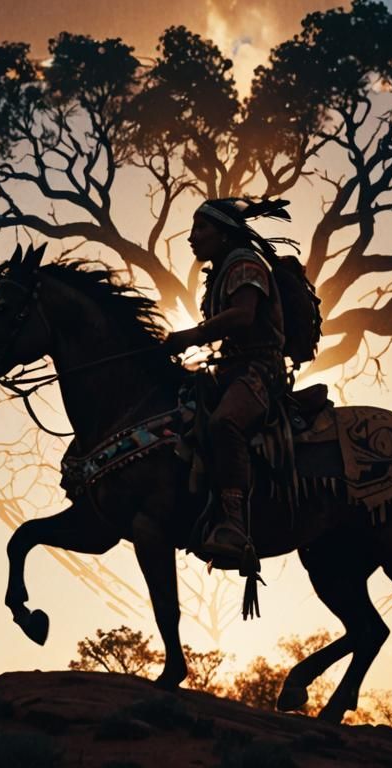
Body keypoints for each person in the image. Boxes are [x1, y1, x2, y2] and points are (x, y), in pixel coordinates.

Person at [164, 198, 296, 564]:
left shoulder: (243, 263)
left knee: (224, 423)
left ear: (223, 232)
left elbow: (243, 315)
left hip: (259, 371)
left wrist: (190, 336)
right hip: (229, 370)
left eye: (201, 228)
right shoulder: (223, 270)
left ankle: (235, 524)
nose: (192, 237)